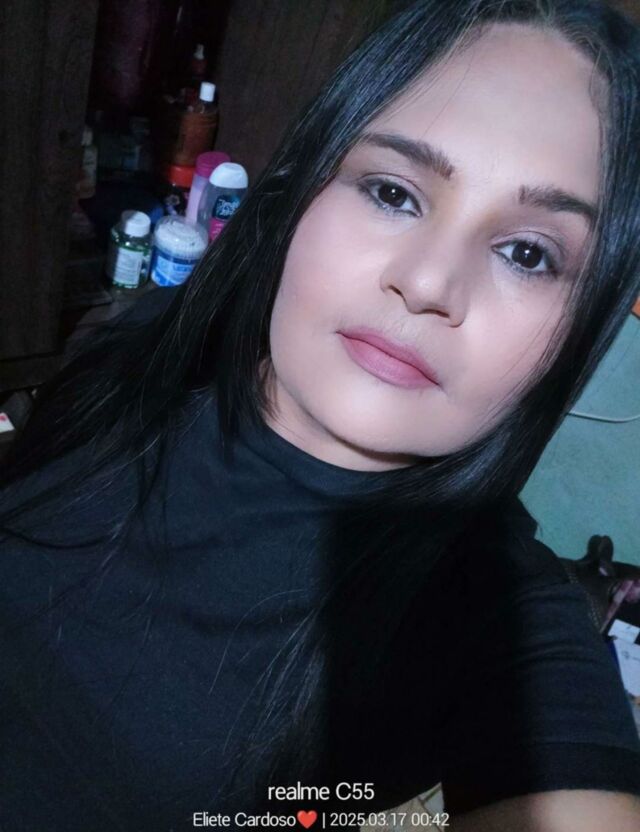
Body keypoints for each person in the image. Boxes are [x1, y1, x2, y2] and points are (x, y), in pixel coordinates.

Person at [2, 0, 640, 829]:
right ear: (304, 186)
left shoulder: (499, 621)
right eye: (393, 192)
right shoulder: (139, 341)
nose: (427, 283)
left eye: (528, 253)